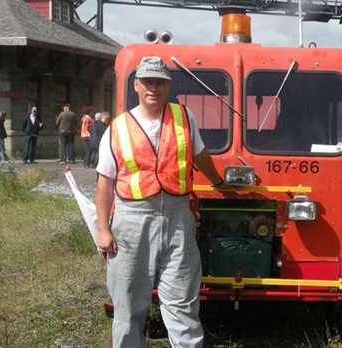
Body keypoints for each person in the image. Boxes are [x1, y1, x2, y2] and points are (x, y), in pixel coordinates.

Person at [95, 56, 227, 348]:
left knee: (182, 301)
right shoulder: (117, 127)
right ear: (137, 85)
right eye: (148, 82)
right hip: (131, 220)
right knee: (128, 303)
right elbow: (104, 181)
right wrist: (103, 230)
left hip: (178, 218)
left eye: (160, 82)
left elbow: (200, 155)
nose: (154, 87)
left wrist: (218, 182)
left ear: (168, 85)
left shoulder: (184, 117)